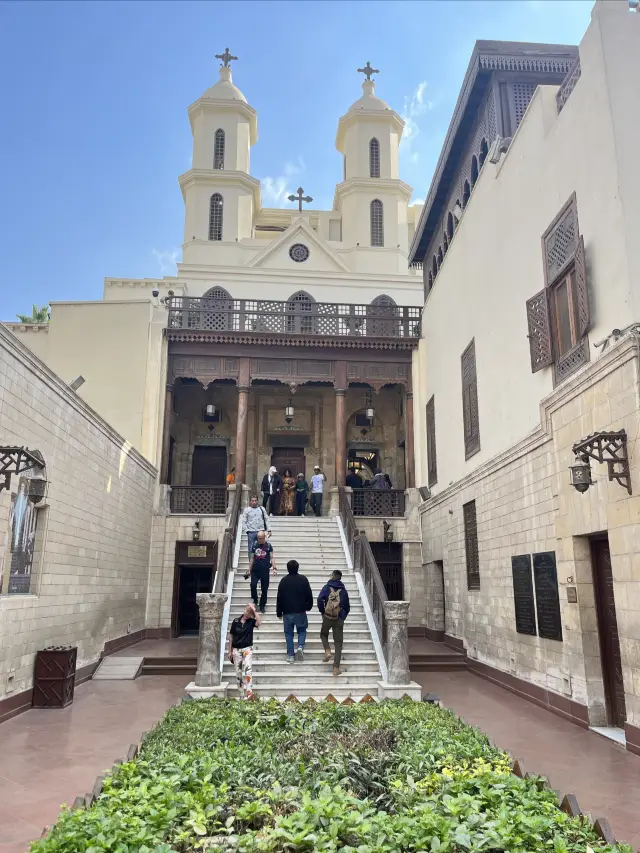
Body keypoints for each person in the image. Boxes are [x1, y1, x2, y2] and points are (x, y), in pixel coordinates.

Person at [276, 559, 313, 664]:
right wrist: (309, 606)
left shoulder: (283, 581)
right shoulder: (303, 579)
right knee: (302, 630)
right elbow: (309, 594)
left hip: (287, 612)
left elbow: (279, 598)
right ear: (298, 568)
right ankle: (300, 646)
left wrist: (279, 612)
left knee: (288, 633)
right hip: (300, 610)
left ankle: (291, 655)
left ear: (288, 569)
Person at [318, 569, 350, 676]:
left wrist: (323, 611)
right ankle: (336, 668)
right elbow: (347, 606)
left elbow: (319, 599)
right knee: (338, 644)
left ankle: (327, 650)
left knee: (323, 634)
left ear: (332, 576)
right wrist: (342, 616)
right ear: (340, 578)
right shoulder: (343, 590)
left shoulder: (327, 587)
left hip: (327, 617)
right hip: (338, 619)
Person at [227, 602, 260, 700]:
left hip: (247, 649)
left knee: (248, 670)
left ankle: (249, 694)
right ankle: (241, 695)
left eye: (249, 613)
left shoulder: (251, 622)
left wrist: (254, 610)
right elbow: (231, 636)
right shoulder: (236, 621)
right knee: (238, 673)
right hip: (236, 650)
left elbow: (259, 623)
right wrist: (230, 651)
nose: (246, 614)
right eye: (246, 611)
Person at [248, 529, 277, 613]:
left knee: (265, 589)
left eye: (261, 538)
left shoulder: (268, 546)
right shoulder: (254, 545)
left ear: (264, 537)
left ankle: (262, 605)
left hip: (265, 571)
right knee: (253, 585)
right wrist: (249, 570)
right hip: (255, 571)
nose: (259, 540)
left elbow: (272, 557)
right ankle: (255, 600)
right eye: (258, 538)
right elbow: (252, 558)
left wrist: (274, 568)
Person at [241, 494, 270, 559]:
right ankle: (251, 565)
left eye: (255, 501)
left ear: (257, 501)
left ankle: (261, 562)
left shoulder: (262, 509)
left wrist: (269, 530)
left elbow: (266, 519)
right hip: (251, 532)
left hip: (261, 531)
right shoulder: (247, 510)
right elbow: (243, 521)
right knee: (251, 549)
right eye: (252, 501)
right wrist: (247, 531)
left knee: (263, 548)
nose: (254, 502)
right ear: (250, 501)